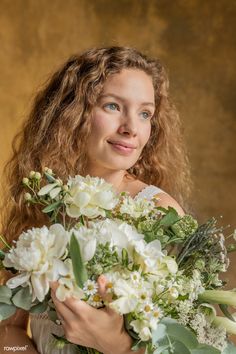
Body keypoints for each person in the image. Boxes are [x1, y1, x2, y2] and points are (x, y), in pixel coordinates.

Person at [0, 46, 191, 353]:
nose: (131, 128)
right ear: (71, 113)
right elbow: (7, 331)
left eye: (145, 113)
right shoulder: (42, 205)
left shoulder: (160, 213)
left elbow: (185, 342)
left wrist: (116, 346)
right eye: (113, 106)